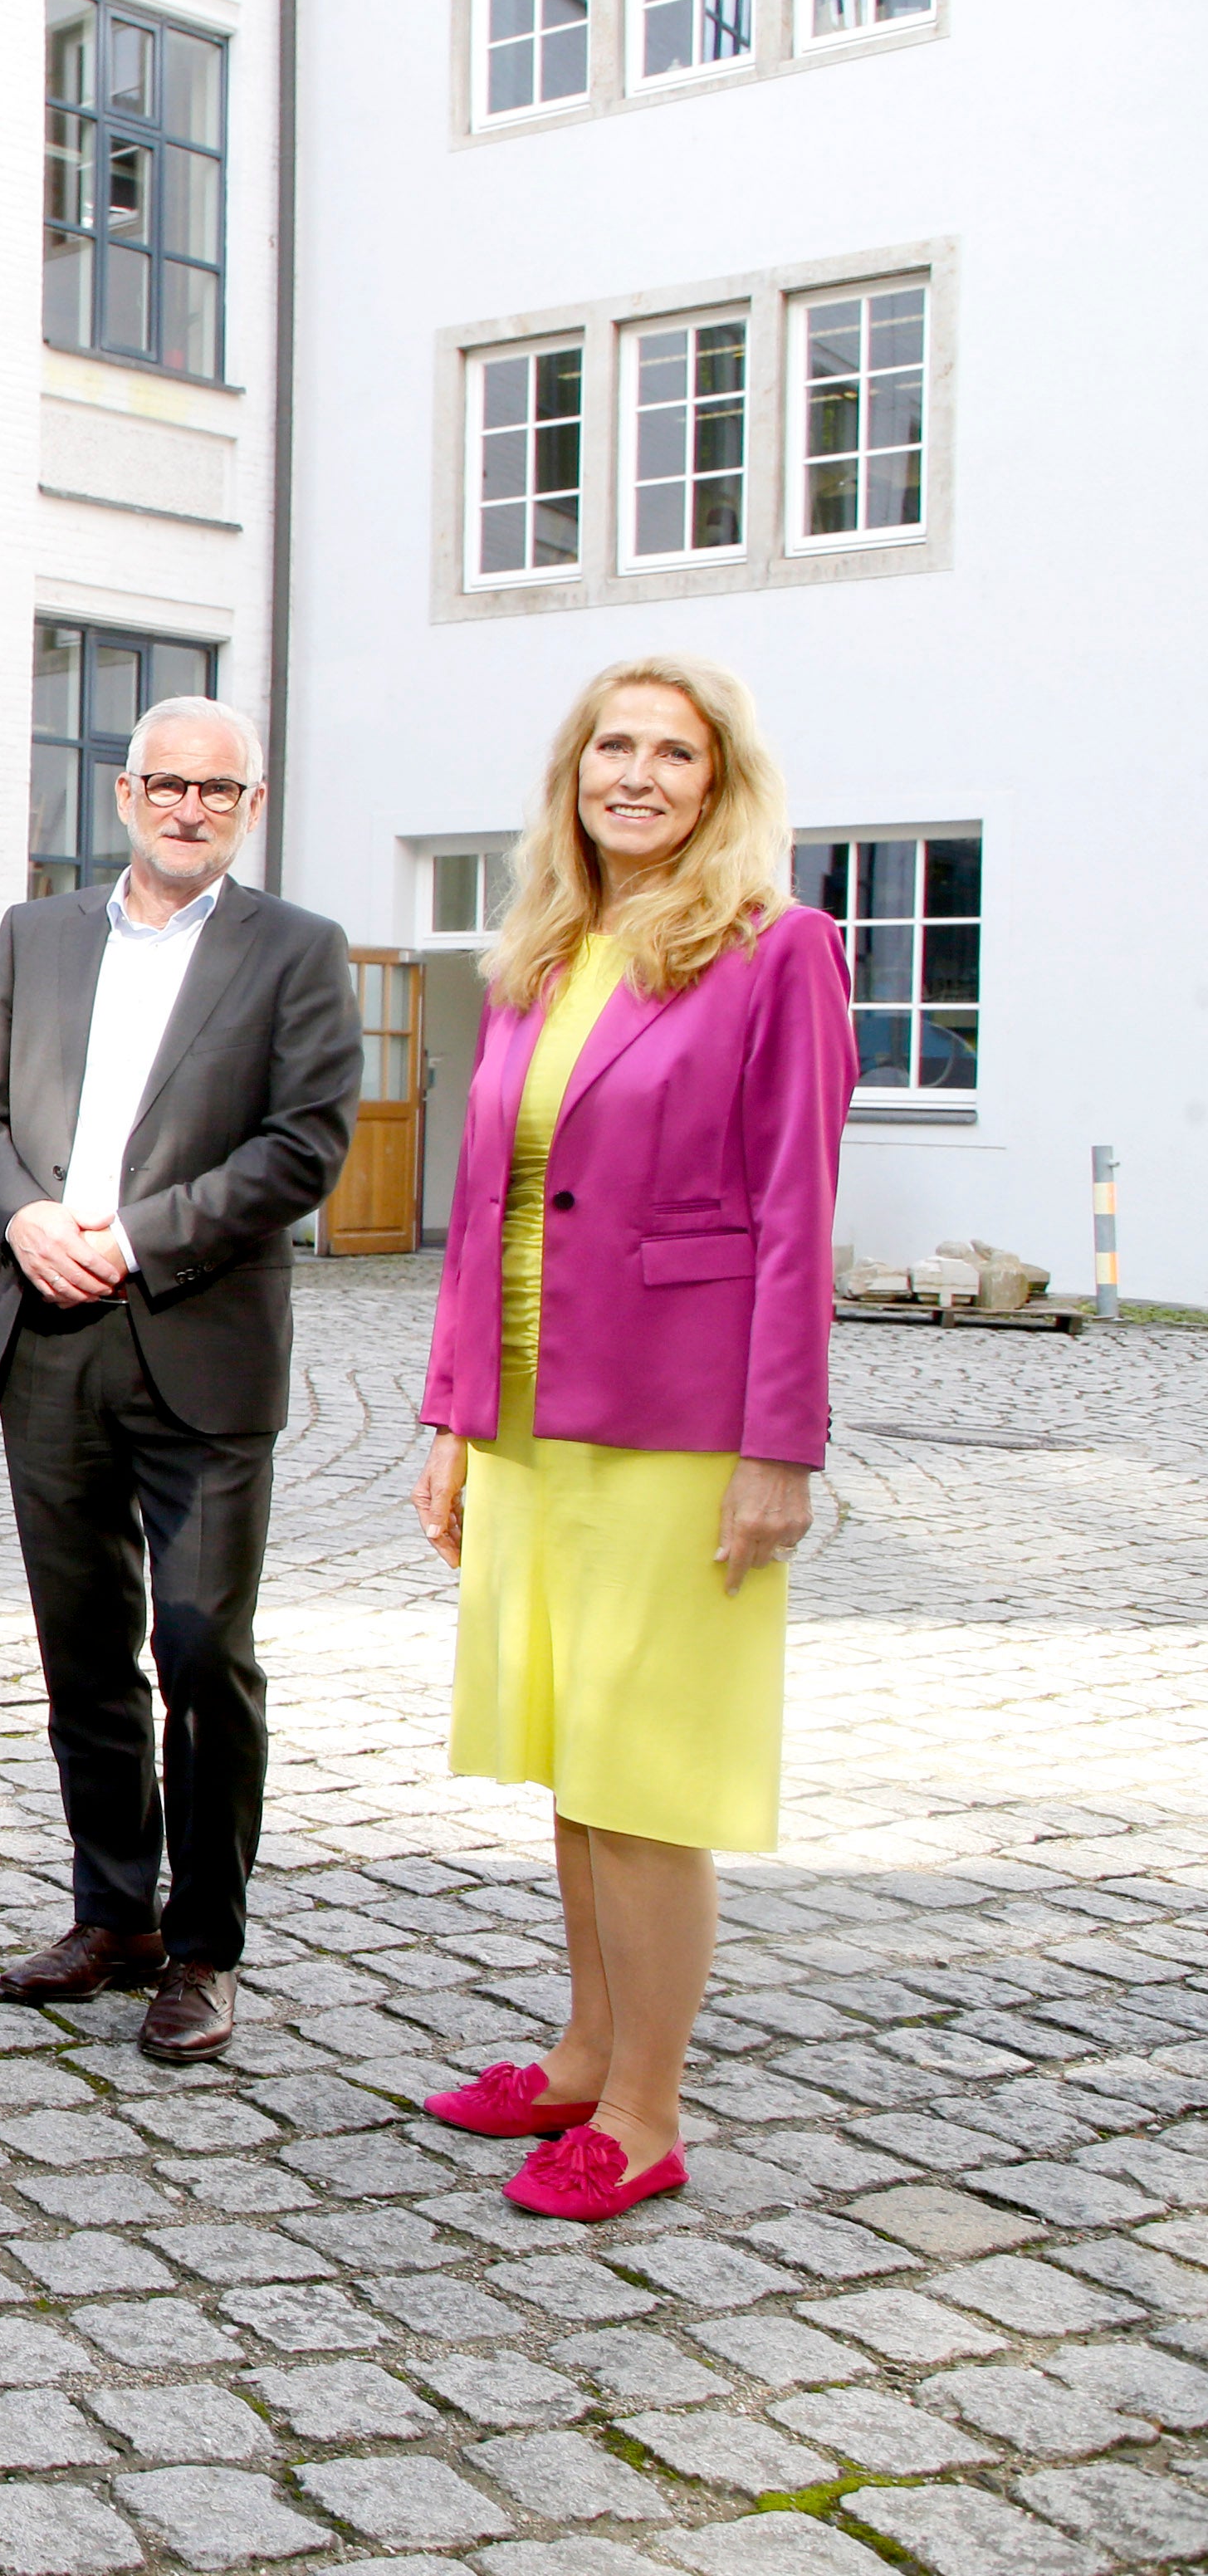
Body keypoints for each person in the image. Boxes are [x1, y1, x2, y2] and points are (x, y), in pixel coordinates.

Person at [408, 659, 848, 2222]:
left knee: (648, 1771)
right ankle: (588, 2052)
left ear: (720, 784)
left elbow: (798, 1212)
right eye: (614, 746)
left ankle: (648, 2115)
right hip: (534, 1412)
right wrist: (458, 1415)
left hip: (677, 1421)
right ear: (573, 772)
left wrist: (777, 1447)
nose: (640, 774)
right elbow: (485, 1212)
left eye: (676, 752)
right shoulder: (543, 951)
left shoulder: (776, 952)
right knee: (571, 1756)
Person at [0, 694, 357, 2064]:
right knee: (83, 1653)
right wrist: (26, 1221)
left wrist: (135, 1236)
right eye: (166, 784)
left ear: (252, 807)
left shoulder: (297, 950)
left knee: (200, 1647)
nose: (187, 807)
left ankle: (207, 1944)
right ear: (124, 794)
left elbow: (305, 1144)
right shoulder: (35, 934)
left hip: (201, 1341)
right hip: (49, 1332)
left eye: (217, 791)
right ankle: (113, 1912)